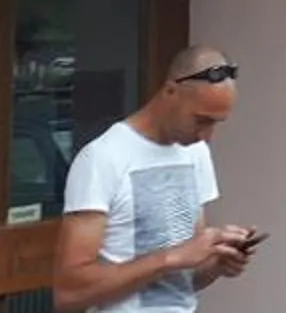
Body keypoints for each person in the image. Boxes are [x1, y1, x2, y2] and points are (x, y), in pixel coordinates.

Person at [53, 48, 256, 312]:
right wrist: (170, 258)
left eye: (216, 123)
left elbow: (183, 279)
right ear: (171, 91)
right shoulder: (103, 158)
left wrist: (217, 263)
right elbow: (69, 293)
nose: (207, 136)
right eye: (201, 120)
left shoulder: (196, 153)